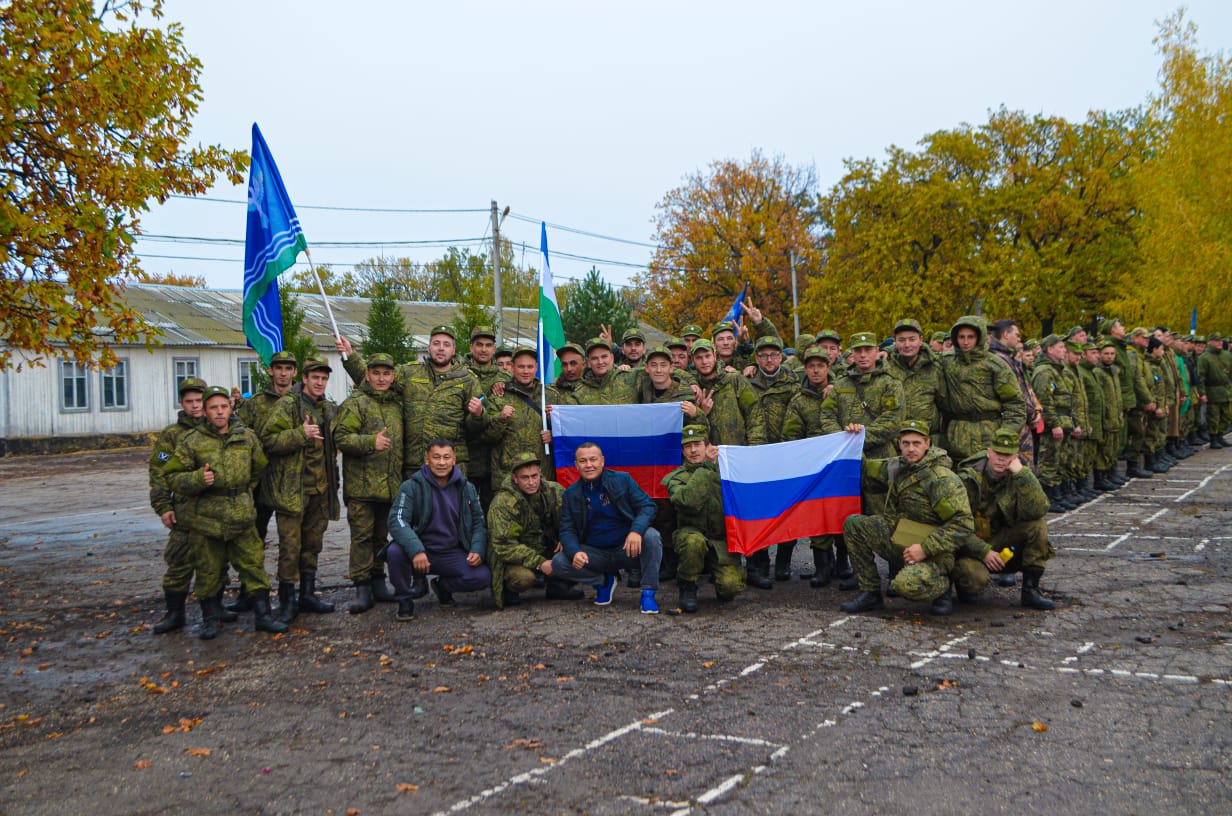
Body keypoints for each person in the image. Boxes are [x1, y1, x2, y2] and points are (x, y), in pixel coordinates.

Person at [164, 387, 286, 639]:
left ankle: (263, 616)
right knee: (208, 570)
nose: (219, 412)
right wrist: (198, 479)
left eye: (223, 407)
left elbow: (258, 468)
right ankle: (210, 618)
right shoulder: (192, 441)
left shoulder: (247, 438)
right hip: (206, 519)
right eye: (213, 408)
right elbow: (173, 476)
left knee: (253, 567)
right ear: (206, 412)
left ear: (231, 408)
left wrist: (240, 492)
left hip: (240, 515)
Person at [839, 420, 975, 617]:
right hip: (902, 538)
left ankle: (942, 586)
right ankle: (870, 593)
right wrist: (853, 440)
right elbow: (865, 470)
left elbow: (963, 524)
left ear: (928, 444)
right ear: (899, 444)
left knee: (905, 586)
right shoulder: (897, 466)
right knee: (854, 525)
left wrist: (925, 548)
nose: (911, 449)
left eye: (916, 443)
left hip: (934, 551)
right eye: (906, 443)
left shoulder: (941, 479)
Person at [259, 356, 340, 622]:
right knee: (290, 547)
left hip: (320, 489)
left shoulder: (327, 408)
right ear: (303, 378)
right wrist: (299, 434)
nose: (319, 382)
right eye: (315, 377)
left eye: (324, 378)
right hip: (292, 491)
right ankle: (287, 601)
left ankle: (307, 595)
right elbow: (267, 440)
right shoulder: (288, 405)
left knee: (312, 545)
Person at [550, 442, 663, 613]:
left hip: (627, 549)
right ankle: (603, 581)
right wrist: (574, 552)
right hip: (595, 554)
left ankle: (648, 593)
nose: (589, 465)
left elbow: (648, 506)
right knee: (559, 562)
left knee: (652, 537)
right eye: (583, 461)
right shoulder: (571, 494)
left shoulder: (622, 480)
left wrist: (636, 531)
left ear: (602, 461)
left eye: (593, 459)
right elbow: (567, 529)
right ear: (576, 465)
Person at [952, 429, 1057, 610]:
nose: (1001, 459)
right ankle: (962, 587)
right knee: (974, 579)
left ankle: (1030, 591)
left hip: (1001, 540)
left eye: (1007, 455)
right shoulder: (968, 479)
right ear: (988, 452)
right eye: (998, 453)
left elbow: (1038, 509)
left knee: (1037, 526)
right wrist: (983, 551)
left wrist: (1022, 474)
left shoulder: (1018, 476)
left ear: (1015, 456)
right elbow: (954, 526)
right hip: (971, 545)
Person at [385, 439, 490, 620]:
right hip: (420, 551)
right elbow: (397, 520)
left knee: (482, 576)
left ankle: (443, 586)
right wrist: (416, 550)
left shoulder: (467, 488)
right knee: (394, 552)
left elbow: (478, 522)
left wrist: (477, 549)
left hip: (451, 552)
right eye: (436, 457)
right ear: (427, 459)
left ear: (454, 460)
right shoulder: (411, 487)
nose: (442, 462)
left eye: (446, 457)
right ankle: (404, 600)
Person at [332, 352, 403, 615]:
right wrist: (369, 442)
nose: (381, 378)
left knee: (380, 537)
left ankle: (378, 582)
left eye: (386, 373)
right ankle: (362, 588)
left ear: (392, 376)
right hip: (362, 488)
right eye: (376, 373)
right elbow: (340, 437)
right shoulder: (356, 404)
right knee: (361, 538)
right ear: (368, 375)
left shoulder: (397, 405)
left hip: (388, 486)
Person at [148, 376, 213, 634]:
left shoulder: (218, 429)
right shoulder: (171, 437)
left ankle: (214, 609)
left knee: (213, 563)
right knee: (178, 562)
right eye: (190, 402)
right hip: (184, 511)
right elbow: (159, 472)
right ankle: (175, 612)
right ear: (181, 403)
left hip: (212, 509)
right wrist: (164, 506)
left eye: (199, 401)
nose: (195, 406)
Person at [662, 425, 745, 612]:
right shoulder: (676, 478)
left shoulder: (726, 472)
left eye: (697, 444)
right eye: (688, 446)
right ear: (682, 451)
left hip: (720, 539)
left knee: (729, 589)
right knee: (693, 542)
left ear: (707, 446)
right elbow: (688, 501)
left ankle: (715, 571)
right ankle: (687, 586)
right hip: (691, 534)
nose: (693, 450)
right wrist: (706, 467)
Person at [486, 451, 581, 608]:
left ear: (540, 474)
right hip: (516, 557)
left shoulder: (554, 490)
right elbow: (504, 546)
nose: (531, 482)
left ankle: (558, 587)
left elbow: (573, 519)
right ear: (515, 478)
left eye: (534, 476)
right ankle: (508, 590)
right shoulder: (503, 503)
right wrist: (540, 563)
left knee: (579, 551)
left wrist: (567, 538)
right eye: (525, 478)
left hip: (546, 547)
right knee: (523, 578)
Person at [781, 345, 840, 587]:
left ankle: (844, 564)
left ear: (828, 367)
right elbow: (790, 436)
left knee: (842, 512)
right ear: (805, 369)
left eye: (821, 366)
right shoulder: (799, 400)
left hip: (838, 462)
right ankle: (822, 566)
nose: (816, 371)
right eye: (811, 366)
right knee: (818, 514)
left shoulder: (843, 391)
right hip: (813, 465)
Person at [745, 335, 802, 585]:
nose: (769, 359)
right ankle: (760, 561)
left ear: (781, 357)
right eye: (764, 355)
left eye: (774, 355)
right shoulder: (746, 381)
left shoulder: (794, 381)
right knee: (758, 511)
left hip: (786, 453)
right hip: (756, 453)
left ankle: (783, 562)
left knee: (787, 511)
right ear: (756, 359)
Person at [939, 315, 1027, 463]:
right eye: (961, 337)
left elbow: (1015, 404)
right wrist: (888, 350)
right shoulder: (946, 362)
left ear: (980, 337)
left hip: (989, 437)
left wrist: (1004, 437)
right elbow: (920, 354)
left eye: (971, 337)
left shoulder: (995, 365)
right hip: (955, 438)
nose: (965, 342)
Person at [1031, 335, 1079, 513]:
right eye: (1060, 347)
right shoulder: (1044, 371)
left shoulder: (1057, 370)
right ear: (1049, 349)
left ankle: (1058, 494)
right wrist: (1054, 423)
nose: (1064, 350)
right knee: (1049, 461)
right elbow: (1044, 400)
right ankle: (1049, 497)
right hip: (1054, 424)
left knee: (1060, 460)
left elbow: (1067, 399)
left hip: (1064, 421)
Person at [885, 318, 946, 448]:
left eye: (912, 339)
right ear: (894, 342)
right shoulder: (885, 367)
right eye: (901, 340)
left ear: (921, 340)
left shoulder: (935, 367)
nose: (907, 345)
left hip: (927, 442)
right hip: (893, 442)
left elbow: (945, 405)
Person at [1197, 332, 1231, 448]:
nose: (1220, 343)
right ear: (1210, 342)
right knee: (1213, 417)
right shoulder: (1204, 358)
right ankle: (1213, 438)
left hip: (1226, 390)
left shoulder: (1227, 355)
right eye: (1216, 340)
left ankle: (1221, 435)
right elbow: (1201, 377)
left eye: (1221, 340)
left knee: (1226, 415)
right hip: (1212, 390)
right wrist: (1202, 393)